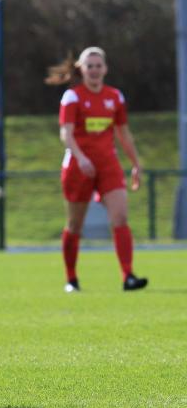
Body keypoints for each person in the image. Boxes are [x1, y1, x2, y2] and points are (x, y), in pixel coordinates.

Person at [50, 47, 148, 293]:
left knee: (120, 217)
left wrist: (136, 163)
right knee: (75, 225)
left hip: (108, 165)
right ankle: (71, 279)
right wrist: (81, 158)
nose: (94, 70)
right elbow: (66, 134)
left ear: (105, 68)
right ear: (81, 69)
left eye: (98, 65)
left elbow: (123, 133)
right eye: (89, 66)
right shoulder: (72, 97)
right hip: (78, 167)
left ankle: (128, 277)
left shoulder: (115, 97)